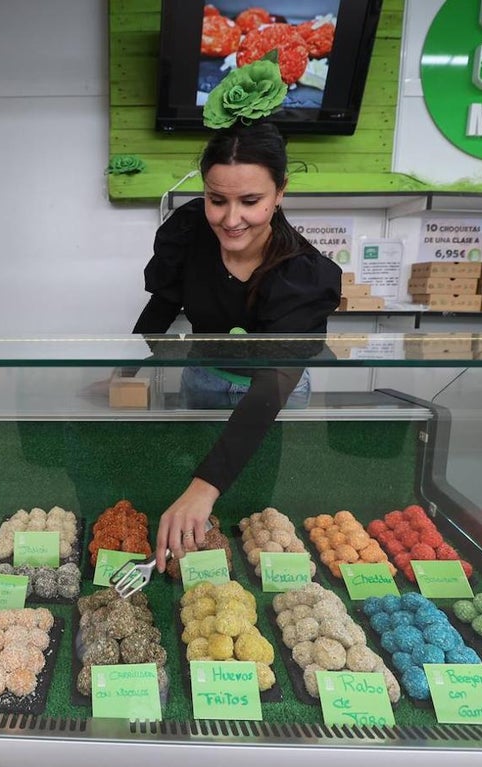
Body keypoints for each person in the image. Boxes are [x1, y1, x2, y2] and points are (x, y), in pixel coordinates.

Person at [133, 119, 342, 572]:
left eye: (251, 201)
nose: (231, 219)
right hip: (203, 378)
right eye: (216, 200)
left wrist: (205, 486)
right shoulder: (188, 231)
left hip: (274, 393)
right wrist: (125, 371)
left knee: (254, 499)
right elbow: (163, 302)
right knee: (186, 479)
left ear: (280, 191)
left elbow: (272, 387)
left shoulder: (302, 274)